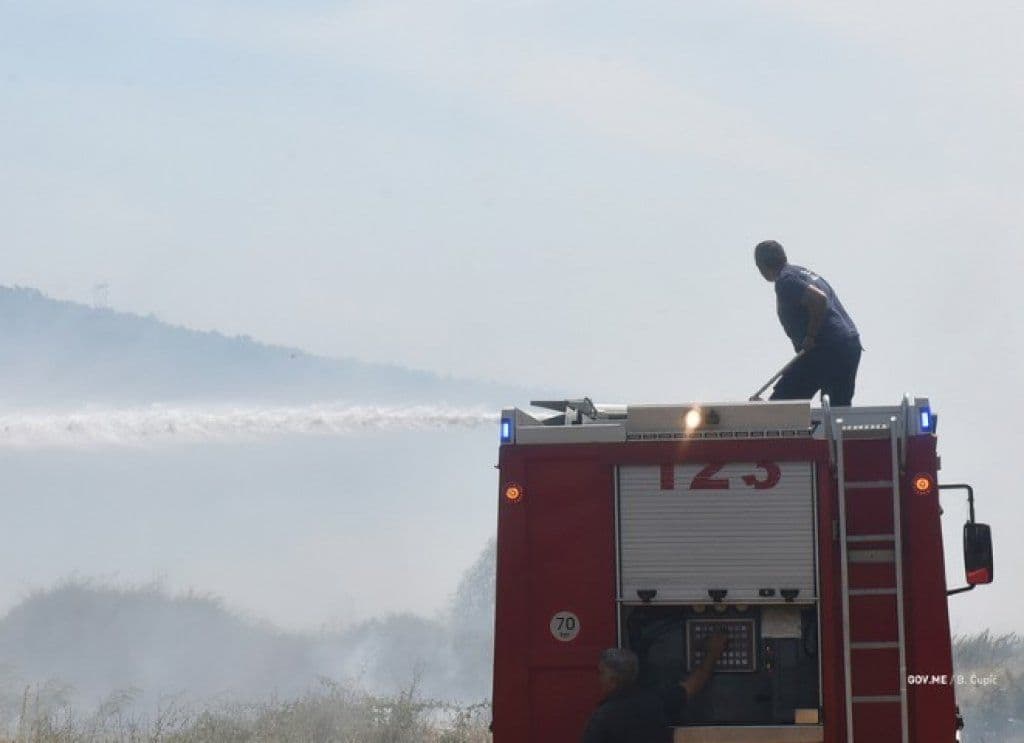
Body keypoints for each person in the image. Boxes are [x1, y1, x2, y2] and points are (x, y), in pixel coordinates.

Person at [754, 240, 863, 406]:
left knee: (783, 404)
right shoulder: (803, 272)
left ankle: (770, 414)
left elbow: (819, 299)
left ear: (762, 266)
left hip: (825, 348)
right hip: (849, 346)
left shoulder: (786, 281)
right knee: (836, 411)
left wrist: (810, 336)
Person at [581, 634, 728, 743]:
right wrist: (713, 653)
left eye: (601, 673)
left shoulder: (603, 718)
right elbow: (693, 685)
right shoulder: (657, 701)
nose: (599, 678)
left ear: (613, 680)